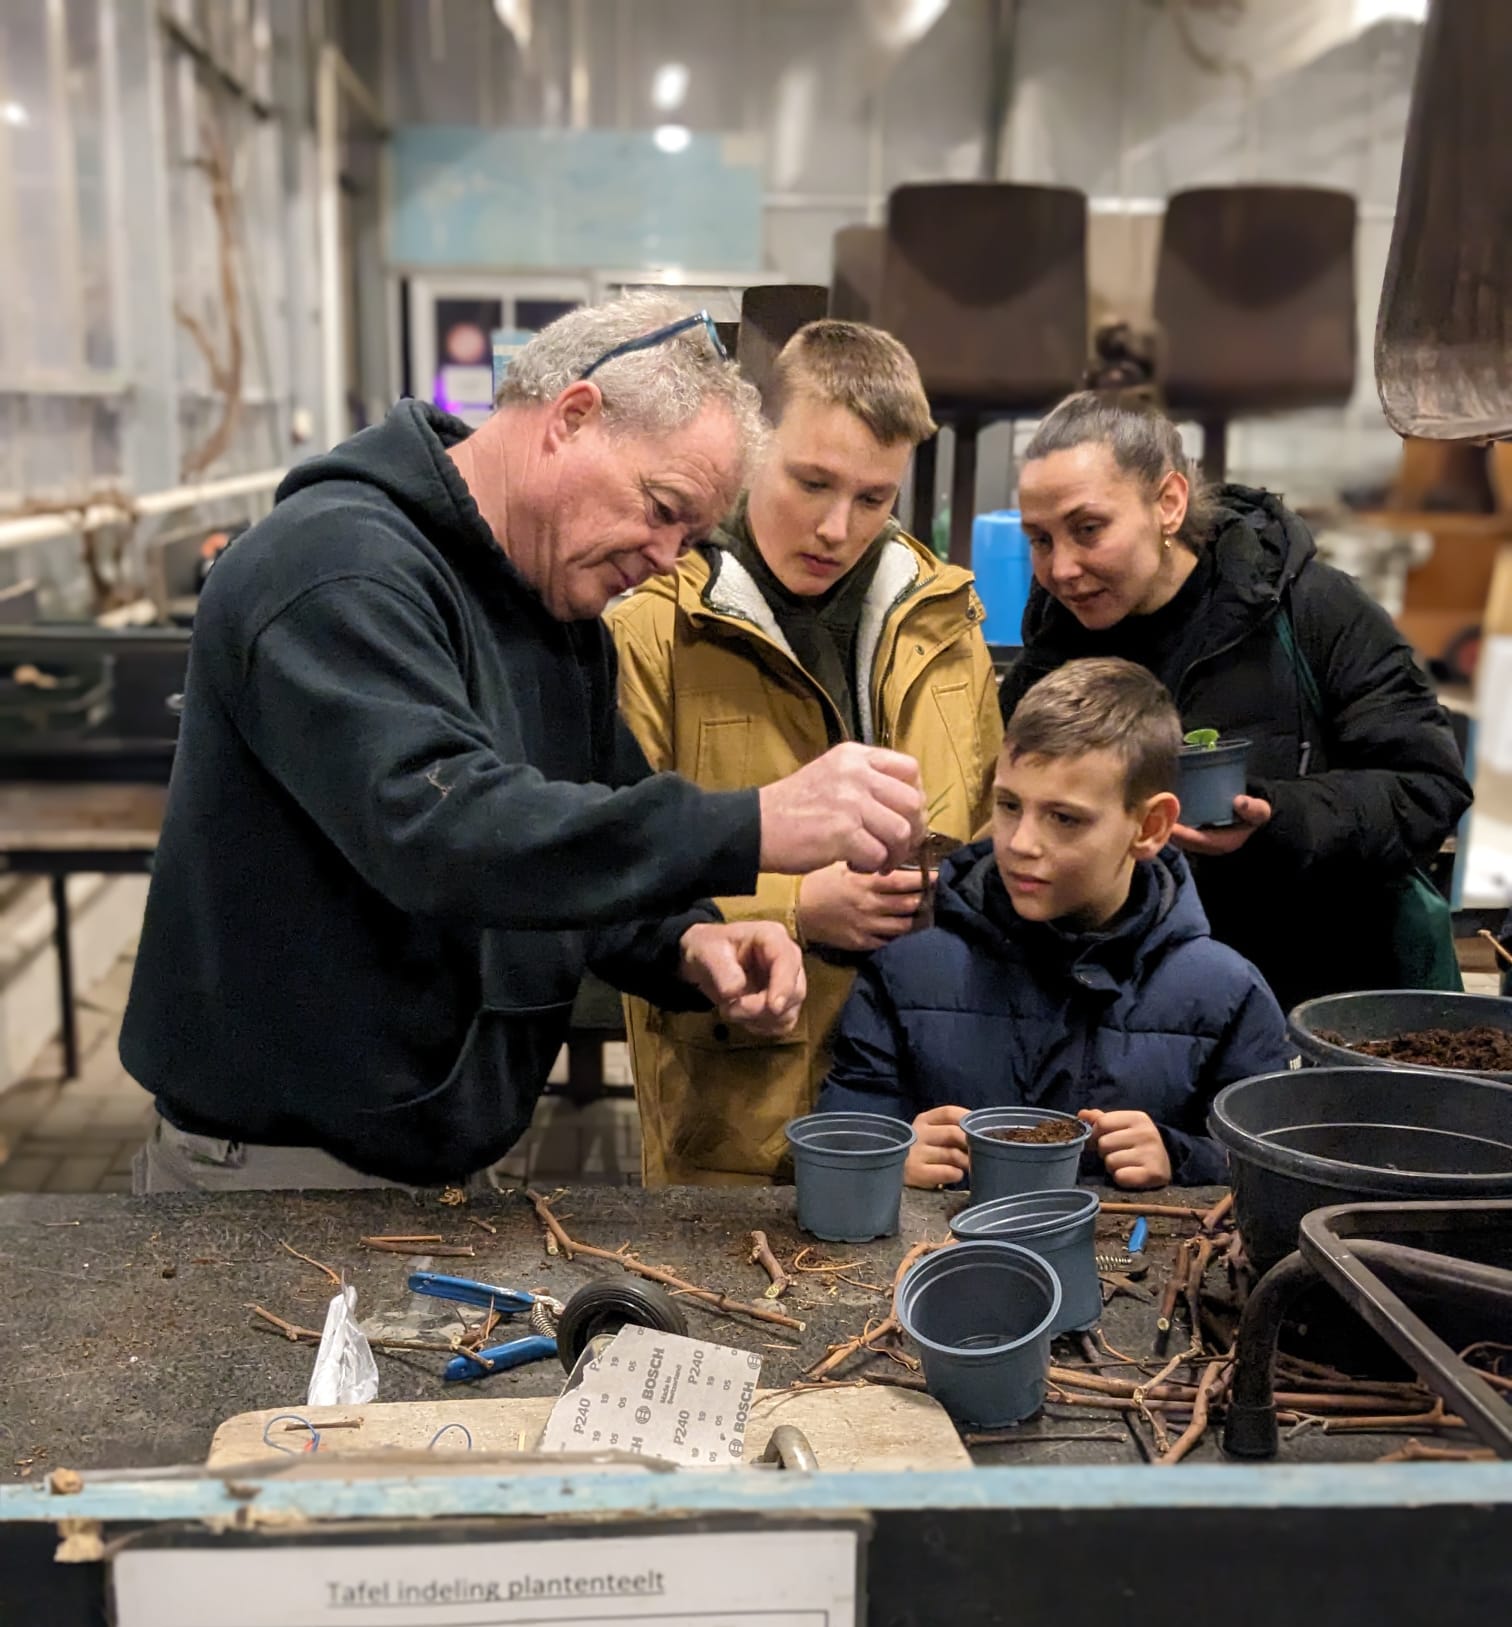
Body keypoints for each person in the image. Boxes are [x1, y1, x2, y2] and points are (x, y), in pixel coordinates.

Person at [120, 297, 927, 1192]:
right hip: (282, 1178)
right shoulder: (334, 570)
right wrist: (759, 824)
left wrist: (684, 943)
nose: (666, 556)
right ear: (571, 418)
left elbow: (585, 830)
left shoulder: (553, 607)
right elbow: (441, 829)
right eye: (661, 508)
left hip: (434, 1162)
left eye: (692, 536)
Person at [611, 319, 1000, 1184]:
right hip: (738, 1124)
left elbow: (981, 832)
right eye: (812, 481)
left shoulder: (949, 622)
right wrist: (795, 905)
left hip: (928, 1110)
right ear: (754, 446)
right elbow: (611, 867)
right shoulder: (653, 629)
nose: (837, 526)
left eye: (873, 498)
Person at [1002, 393, 1472, 1010]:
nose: (1061, 569)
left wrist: (1278, 818)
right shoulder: (1050, 646)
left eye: (1088, 529)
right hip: (1123, 1014)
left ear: (1168, 503)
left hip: (1308, 1010)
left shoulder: (1308, 611)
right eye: (1039, 540)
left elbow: (1428, 789)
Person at [818, 659, 1293, 1191]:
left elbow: (1276, 1163)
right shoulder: (905, 970)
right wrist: (889, 1156)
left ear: (1150, 826)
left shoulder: (1226, 995)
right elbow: (840, 1138)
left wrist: (1182, 1157)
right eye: (1009, 805)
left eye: (1064, 818)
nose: (1021, 843)